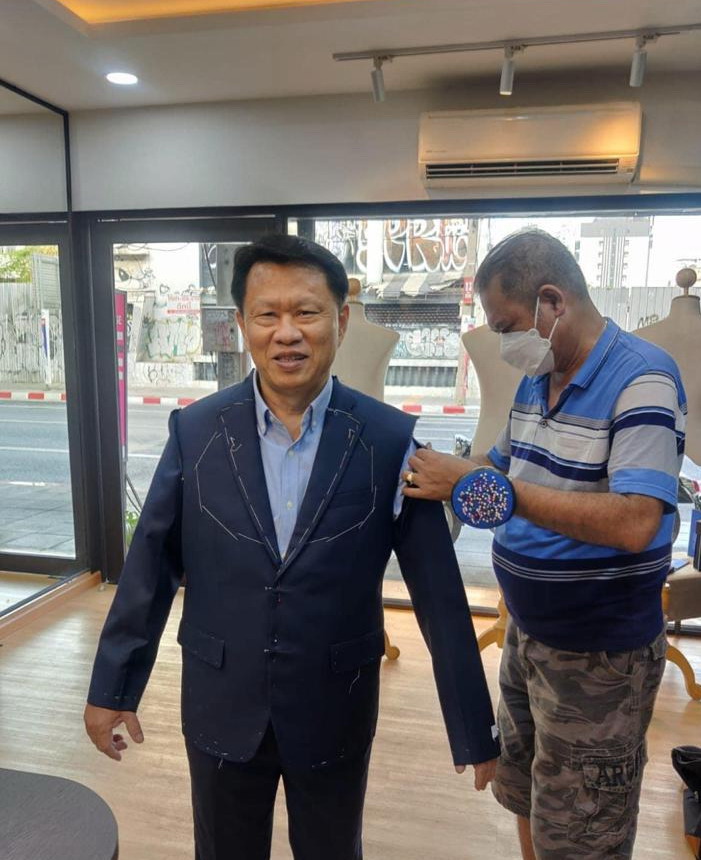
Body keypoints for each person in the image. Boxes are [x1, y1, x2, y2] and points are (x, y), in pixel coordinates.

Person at [84, 234, 499, 860]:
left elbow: (438, 592)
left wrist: (472, 726)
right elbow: (150, 564)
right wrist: (113, 688)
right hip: (221, 699)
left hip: (335, 704)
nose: (287, 333)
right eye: (267, 314)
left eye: (306, 312)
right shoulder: (196, 431)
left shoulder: (389, 440)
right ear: (243, 323)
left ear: (341, 321)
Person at [402, 230, 686, 859]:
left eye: (507, 326)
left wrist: (484, 485)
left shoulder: (642, 380)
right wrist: (426, 471)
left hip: (600, 656)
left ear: (553, 302)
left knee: (584, 831)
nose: (506, 344)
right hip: (528, 635)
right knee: (528, 795)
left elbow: (637, 521)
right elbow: (498, 473)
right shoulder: (539, 378)